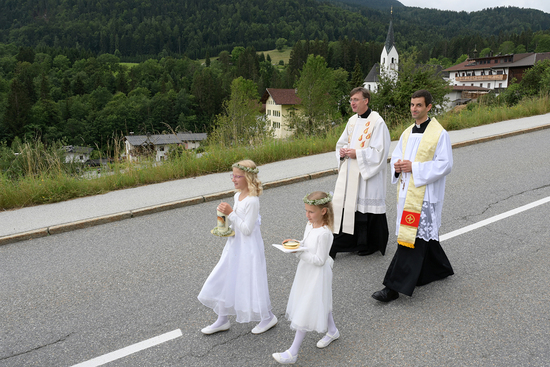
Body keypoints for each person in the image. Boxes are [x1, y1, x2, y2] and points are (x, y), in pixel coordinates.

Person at [372, 90, 454, 303]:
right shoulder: (408, 132)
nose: (414, 109)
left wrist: (414, 167)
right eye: (412, 105)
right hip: (407, 192)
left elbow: (445, 165)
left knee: (410, 240)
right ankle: (439, 268)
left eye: (418, 105)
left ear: (428, 107)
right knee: (422, 236)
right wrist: (398, 167)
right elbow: (398, 155)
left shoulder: (439, 134)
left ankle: (392, 287)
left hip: (424, 196)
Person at [198, 160, 277, 334]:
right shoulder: (237, 195)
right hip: (234, 245)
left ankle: (268, 317)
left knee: (250, 280)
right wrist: (224, 226)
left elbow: (248, 229)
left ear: (247, 177)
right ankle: (222, 319)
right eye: (232, 175)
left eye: (236, 176)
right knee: (225, 275)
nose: (233, 179)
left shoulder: (252, 201)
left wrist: (230, 213)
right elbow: (237, 223)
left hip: (249, 248)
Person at [273, 192, 339, 364]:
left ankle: (292, 353)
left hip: (317, 274)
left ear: (324, 211)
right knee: (320, 301)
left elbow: (319, 260)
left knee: (307, 305)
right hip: (306, 271)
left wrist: (298, 253)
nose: (307, 215)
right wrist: (295, 244)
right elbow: (306, 243)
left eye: (311, 212)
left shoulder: (325, 233)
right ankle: (332, 330)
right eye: (306, 211)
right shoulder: (310, 225)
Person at [331, 87, 391, 258]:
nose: (352, 103)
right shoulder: (352, 121)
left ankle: (371, 244)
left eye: (356, 99)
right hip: (352, 173)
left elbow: (381, 151)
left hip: (368, 175)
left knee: (368, 210)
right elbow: (341, 143)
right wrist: (342, 152)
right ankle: (354, 242)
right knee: (354, 209)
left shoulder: (377, 122)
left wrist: (357, 153)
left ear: (366, 101)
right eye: (351, 100)